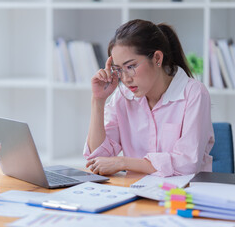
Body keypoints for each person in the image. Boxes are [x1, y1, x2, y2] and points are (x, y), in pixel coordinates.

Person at [84, 19, 214, 177]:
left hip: (183, 195)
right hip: (136, 193)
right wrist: (98, 100)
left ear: (157, 58)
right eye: (118, 69)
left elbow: (187, 164)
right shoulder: (122, 97)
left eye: (130, 67)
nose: (125, 78)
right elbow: (97, 159)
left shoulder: (194, 93)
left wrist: (123, 162)